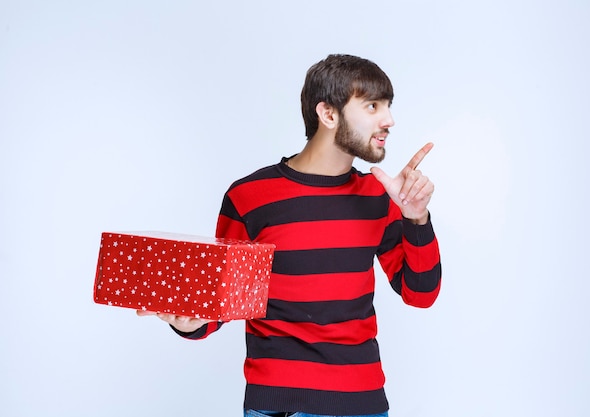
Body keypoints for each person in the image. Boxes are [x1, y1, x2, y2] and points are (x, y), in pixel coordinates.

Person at [138, 54, 442, 417]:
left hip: (364, 404)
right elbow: (222, 305)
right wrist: (191, 323)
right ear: (328, 114)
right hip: (279, 405)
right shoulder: (249, 198)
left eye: (388, 106)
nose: (388, 120)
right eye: (373, 106)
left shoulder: (379, 197)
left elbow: (420, 294)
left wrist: (416, 218)